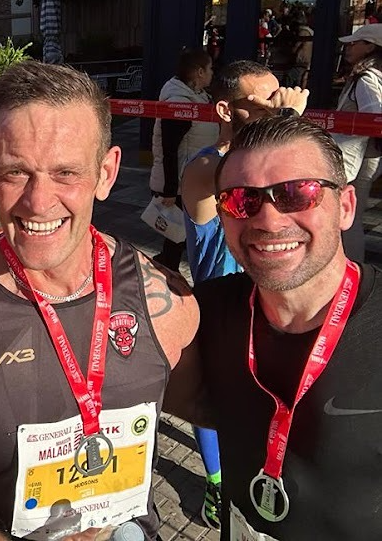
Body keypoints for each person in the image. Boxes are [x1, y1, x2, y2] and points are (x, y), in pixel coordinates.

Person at [0, 61, 199, 541]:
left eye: (65, 173)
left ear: (106, 172)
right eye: (18, 172)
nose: (39, 202)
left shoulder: (164, 300)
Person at [166, 115, 382, 539]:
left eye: (297, 194)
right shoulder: (204, 314)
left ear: (346, 207)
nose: (267, 220)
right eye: (241, 200)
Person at [180, 59, 310, 531]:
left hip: (271, 306)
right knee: (213, 404)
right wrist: (287, 124)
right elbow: (250, 181)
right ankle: (215, 482)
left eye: (280, 95)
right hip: (223, 312)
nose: (275, 106)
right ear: (223, 109)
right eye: (262, 100)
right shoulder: (204, 169)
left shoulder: (267, 153)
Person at [149, 48, 218, 271]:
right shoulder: (179, 101)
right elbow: (168, 147)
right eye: (210, 69)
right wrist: (170, 189)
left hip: (189, 179)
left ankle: (166, 271)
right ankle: (167, 278)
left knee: (177, 239)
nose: (212, 73)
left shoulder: (197, 96)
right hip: (179, 184)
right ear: (199, 72)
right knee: (177, 237)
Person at [333, 24, 382, 262]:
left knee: (347, 216)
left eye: (355, 42)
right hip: (364, 157)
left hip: (357, 160)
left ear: (370, 46)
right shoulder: (373, 76)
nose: (348, 47)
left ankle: (353, 270)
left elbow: (375, 116)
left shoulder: (367, 79)